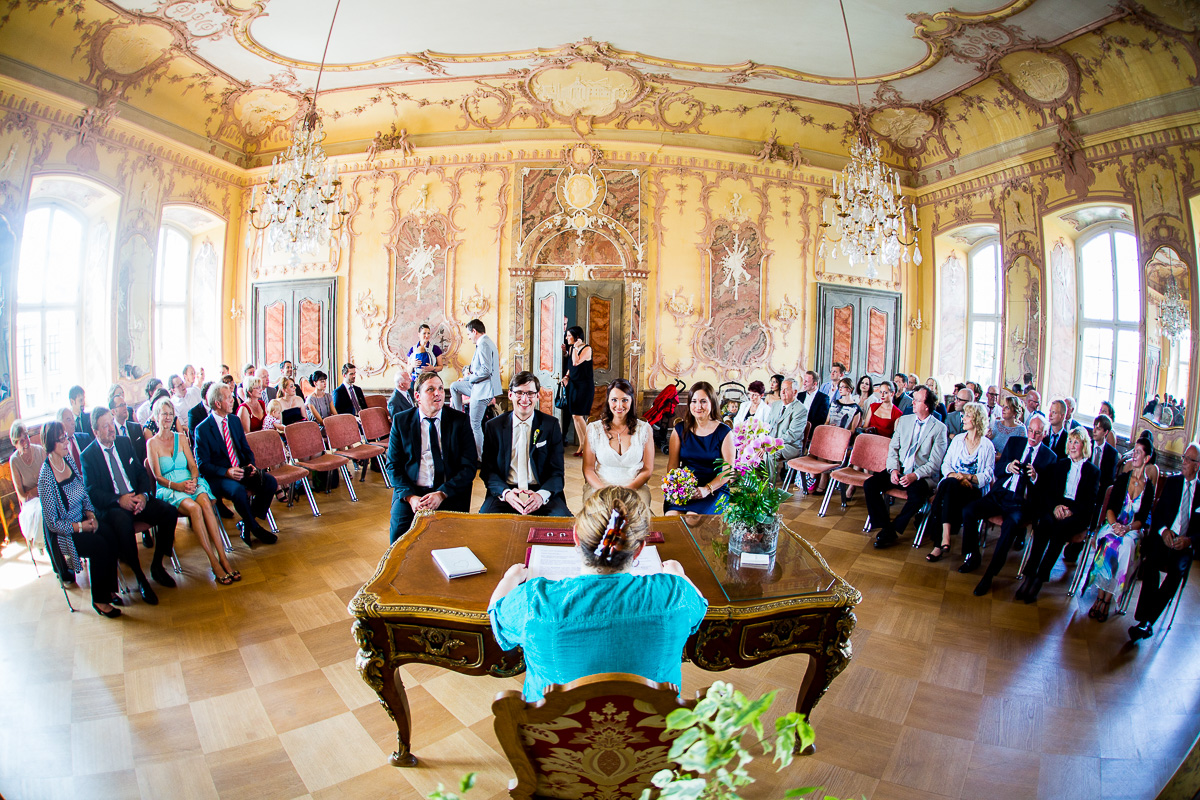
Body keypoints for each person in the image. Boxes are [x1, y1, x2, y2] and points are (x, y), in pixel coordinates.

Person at [488, 486, 708, 702]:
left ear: (576, 537)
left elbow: (496, 612)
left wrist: (511, 577)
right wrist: (678, 574)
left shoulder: (534, 601)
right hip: (651, 730)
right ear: (639, 548)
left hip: (553, 734)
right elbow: (699, 603)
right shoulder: (675, 594)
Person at [81, 405, 180, 606]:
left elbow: (140, 473)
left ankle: (157, 566)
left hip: (137, 498)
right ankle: (141, 579)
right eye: (106, 426)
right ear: (96, 431)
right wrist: (119, 500)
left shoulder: (124, 443)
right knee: (123, 526)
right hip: (114, 507)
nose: (111, 429)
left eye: (111, 423)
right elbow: (92, 491)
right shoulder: (88, 455)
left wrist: (143, 495)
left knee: (169, 512)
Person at [146, 398, 238, 586]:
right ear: (156, 417)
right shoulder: (152, 444)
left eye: (171, 414)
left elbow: (193, 466)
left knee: (205, 503)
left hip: (190, 481)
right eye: (164, 414)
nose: (168, 417)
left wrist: (194, 481)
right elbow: (157, 477)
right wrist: (179, 487)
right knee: (195, 509)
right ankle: (213, 562)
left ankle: (223, 557)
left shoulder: (180, 438)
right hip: (170, 488)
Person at [964, 413, 1058, 592]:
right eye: (1030, 431)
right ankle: (974, 555)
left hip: (1021, 503)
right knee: (969, 510)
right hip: (1000, 494)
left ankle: (990, 574)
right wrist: (1008, 467)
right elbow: (997, 469)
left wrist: (1036, 477)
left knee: (1009, 527)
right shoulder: (1015, 442)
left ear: (1044, 433)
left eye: (1037, 433)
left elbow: (1046, 494)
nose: (1032, 436)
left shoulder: (1049, 457)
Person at [38, 421, 121, 617]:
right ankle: (99, 600)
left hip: (83, 519)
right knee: (99, 545)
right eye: (62, 439)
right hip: (66, 533)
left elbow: (83, 493)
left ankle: (108, 588)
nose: (68, 442)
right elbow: (53, 524)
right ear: (51, 444)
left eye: (66, 437)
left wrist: (90, 513)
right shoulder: (46, 477)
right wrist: (81, 527)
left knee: (110, 533)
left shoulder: (68, 461)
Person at [387, 372, 478, 542]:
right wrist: (410, 497)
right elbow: (393, 465)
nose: (438, 393)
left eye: (441, 388)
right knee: (398, 539)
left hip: (448, 491)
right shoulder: (402, 421)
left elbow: (469, 466)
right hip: (412, 492)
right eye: (431, 389)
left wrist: (442, 493)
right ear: (417, 396)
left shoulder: (459, 421)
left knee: (452, 542)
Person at [1018, 428, 1099, 603]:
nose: (1072, 446)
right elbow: (1049, 492)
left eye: (1076, 442)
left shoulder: (1093, 471)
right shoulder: (1060, 465)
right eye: (1070, 441)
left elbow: (1090, 502)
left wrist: (1071, 511)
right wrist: (1055, 507)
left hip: (1077, 512)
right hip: (1057, 506)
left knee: (1059, 532)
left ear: (1084, 445)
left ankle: (1040, 578)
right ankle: (1029, 575)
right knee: (1043, 525)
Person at [194, 382, 279, 547]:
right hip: (220, 476)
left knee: (270, 482)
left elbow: (246, 449)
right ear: (218, 404)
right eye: (228, 398)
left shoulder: (233, 420)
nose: (233, 400)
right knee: (238, 491)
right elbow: (202, 465)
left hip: (241, 469)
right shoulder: (202, 429)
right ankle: (255, 528)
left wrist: (251, 464)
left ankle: (246, 523)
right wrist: (226, 472)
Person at [1130, 442, 1200, 640]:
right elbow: (1157, 513)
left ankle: (1147, 621)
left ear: (1197, 465)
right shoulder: (1173, 483)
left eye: (1188, 460)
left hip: (1185, 545)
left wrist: (1189, 541)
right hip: (1165, 538)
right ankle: (1145, 620)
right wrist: (1163, 531)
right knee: (1151, 562)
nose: (1183, 462)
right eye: (1183, 458)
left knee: (1177, 572)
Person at [866, 386, 949, 549]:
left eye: (917, 400)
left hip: (922, 475)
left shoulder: (939, 429)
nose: (912, 402)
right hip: (900, 469)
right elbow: (893, 448)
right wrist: (893, 469)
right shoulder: (905, 420)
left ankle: (894, 529)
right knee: (870, 485)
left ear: (926, 406)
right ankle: (885, 527)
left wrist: (915, 476)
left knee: (917, 497)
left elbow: (935, 463)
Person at [479, 371, 570, 517]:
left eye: (530, 393)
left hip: (541, 491)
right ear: (510, 395)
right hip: (506, 493)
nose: (525, 399)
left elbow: (557, 473)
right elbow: (488, 471)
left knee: (564, 526)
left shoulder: (550, 425)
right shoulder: (494, 426)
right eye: (519, 393)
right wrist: (506, 493)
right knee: (485, 527)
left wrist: (541, 495)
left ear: (537, 396)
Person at [1085, 436, 1155, 621]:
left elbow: (1143, 518)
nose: (1134, 455)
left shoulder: (1149, 488)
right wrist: (1115, 525)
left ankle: (1107, 600)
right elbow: (1110, 508)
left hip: (1132, 529)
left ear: (1146, 458)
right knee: (1108, 542)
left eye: (1139, 453)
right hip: (1114, 523)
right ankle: (1099, 596)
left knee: (1126, 547)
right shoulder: (1123, 479)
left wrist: (1127, 528)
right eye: (1134, 451)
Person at [926, 402, 995, 562]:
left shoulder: (987, 446)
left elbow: (987, 475)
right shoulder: (958, 439)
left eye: (967, 416)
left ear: (977, 419)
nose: (962, 419)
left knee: (945, 491)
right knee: (949, 486)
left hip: (973, 490)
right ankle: (944, 538)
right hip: (953, 486)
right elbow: (945, 465)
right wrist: (956, 477)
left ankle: (941, 541)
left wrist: (966, 477)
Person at [664, 382, 734, 515]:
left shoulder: (724, 432)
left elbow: (728, 471)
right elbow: (672, 465)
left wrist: (707, 489)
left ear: (712, 403)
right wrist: (678, 487)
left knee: (692, 517)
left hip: (714, 488)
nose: (698, 406)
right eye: (694, 401)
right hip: (685, 488)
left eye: (703, 401)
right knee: (671, 517)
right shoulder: (680, 430)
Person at [583, 378, 655, 507]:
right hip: (599, 488)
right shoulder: (594, 429)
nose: (619, 405)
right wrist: (603, 491)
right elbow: (588, 469)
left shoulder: (644, 429)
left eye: (625, 400)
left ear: (631, 401)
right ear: (608, 401)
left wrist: (628, 490)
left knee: (635, 518)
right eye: (614, 400)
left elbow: (647, 470)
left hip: (635, 488)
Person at [450, 319, 502, 458]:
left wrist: (470, 378)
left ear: (474, 331)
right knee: (454, 386)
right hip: (478, 386)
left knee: (475, 425)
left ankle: (479, 457)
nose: (468, 337)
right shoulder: (486, 342)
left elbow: (485, 370)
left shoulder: (484, 343)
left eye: (468, 334)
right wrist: (466, 379)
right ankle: (459, 415)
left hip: (483, 390)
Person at [9, 420, 46, 556]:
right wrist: (36, 490)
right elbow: (22, 496)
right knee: (42, 510)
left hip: (46, 493)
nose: (25, 443)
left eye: (26, 437)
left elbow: (49, 480)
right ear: (15, 443)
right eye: (21, 441)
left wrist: (34, 490)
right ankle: (45, 542)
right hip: (30, 503)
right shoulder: (14, 461)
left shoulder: (40, 451)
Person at [560, 325, 594, 458]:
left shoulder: (587, 348)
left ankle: (589, 446)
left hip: (584, 386)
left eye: (569, 335)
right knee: (575, 415)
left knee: (579, 415)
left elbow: (576, 362)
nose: (567, 337)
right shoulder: (571, 348)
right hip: (573, 385)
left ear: (577, 337)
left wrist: (575, 347)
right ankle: (582, 445)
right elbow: (570, 365)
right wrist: (566, 376)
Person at [108, 390, 148, 466]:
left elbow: (144, 451)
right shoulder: (111, 432)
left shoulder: (136, 428)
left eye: (125, 404)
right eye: (121, 405)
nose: (125, 408)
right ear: (113, 411)